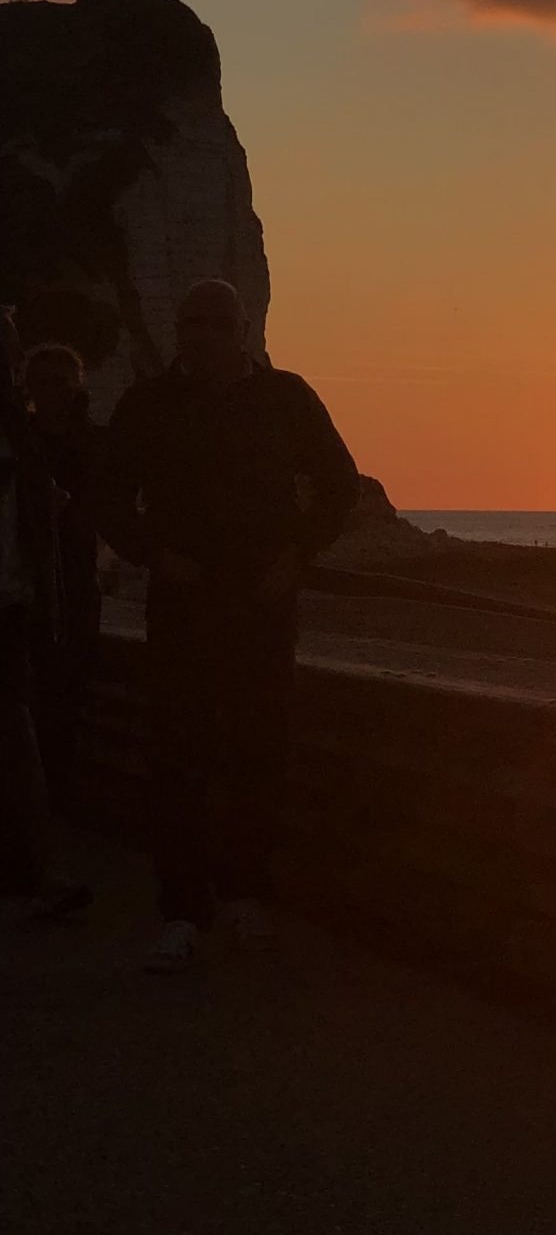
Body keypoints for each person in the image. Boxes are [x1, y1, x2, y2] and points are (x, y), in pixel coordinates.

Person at [101, 279, 360, 973]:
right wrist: (156, 554)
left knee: (260, 752)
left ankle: (248, 897)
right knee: (176, 756)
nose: (205, 336)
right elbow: (105, 495)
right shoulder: (149, 403)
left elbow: (340, 486)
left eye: (219, 324)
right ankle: (182, 911)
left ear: (243, 330)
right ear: (179, 331)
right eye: (193, 324)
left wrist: (298, 555)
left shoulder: (287, 398)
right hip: (182, 605)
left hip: (262, 605)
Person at [0, 309, 91, 922]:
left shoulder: (20, 431)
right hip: (17, 600)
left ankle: (39, 875)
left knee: (17, 731)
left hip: (12, 602)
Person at [22, 340, 103, 815]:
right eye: (43, 383)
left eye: (61, 384)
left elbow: (101, 511)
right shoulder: (21, 438)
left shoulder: (94, 442)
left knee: (64, 701)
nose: (51, 392)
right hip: (26, 587)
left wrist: (68, 507)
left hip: (72, 586)